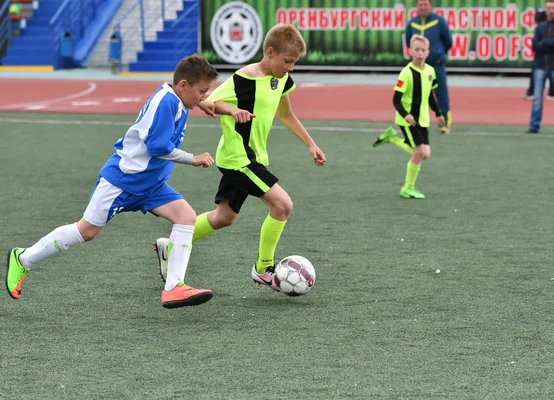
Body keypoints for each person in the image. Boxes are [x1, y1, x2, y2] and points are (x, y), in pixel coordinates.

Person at [6, 55, 219, 309]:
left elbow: (189, 103)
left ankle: (174, 287)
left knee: (186, 216)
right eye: (202, 91)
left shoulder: (179, 98)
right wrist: (192, 159)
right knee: (86, 231)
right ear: (183, 85)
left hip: (151, 184)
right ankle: (23, 259)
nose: (204, 97)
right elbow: (156, 146)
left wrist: (201, 102)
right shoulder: (167, 103)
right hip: (123, 180)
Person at [153, 24, 326, 290]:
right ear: (270, 52)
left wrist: (310, 144)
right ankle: (264, 269)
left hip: (253, 157)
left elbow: (286, 114)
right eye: (288, 61)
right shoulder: (244, 78)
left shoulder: (282, 79)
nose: (290, 68)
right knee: (282, 205)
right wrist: (233, 111)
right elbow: (208, 102)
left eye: (294, 63)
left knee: (224, 217)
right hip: (239, 159)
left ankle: (171, 246)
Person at [371, 35, 444, 199]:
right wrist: (406, 115)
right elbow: (396, 99)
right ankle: (407, 188)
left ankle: (392, 138)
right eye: (416, 50)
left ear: (427, 52)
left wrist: (438, 113)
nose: (419, 53)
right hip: (408, 120)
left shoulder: (430, 71)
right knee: (419, 153)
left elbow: (431, 96)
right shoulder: (406, 73)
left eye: (422, 50)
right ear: (410, 51)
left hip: (423, 119)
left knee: (426, 154)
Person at [405, 0, 452, 134]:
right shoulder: (413, 23)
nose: (423, 7)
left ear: (430, 6)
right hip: (418, 66)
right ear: (417, 6)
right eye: (420, 5)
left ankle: (445, 122)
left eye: (426, 4)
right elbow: (409, 41)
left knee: (441, 93)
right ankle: (415, 122)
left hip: (436, 64)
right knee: (415, 94)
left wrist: (438, 53)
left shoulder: (439, 22)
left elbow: (448, 41)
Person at [527, 0, 554, 135]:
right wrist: (553, 42)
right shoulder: (540, 27)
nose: (551, 10)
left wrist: (544, 42)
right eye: (548, 8)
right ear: (545, 10)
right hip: (540, 66)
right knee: (537, 98)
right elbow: (535, 46)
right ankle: (534, 126)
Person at [523, 6, 554, 101]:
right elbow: (536, 21)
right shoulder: (541, 10)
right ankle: (532, 92)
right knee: (536, 68)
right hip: (542, 45)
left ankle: (553, 93)